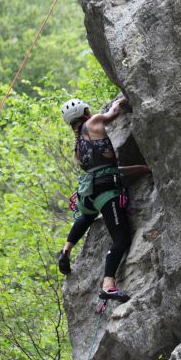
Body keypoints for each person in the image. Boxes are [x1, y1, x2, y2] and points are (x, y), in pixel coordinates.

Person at [57, 97, 149, 302]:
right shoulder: (94, 121)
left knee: (87, 216)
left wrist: (142, 169)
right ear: (85, 112)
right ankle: (108, 285)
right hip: (106, 193)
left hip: (88, 195)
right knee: (121, 239)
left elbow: (108, 169)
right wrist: (122, 98)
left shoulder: (78, 145)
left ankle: (66, 250)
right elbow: (114, 113)